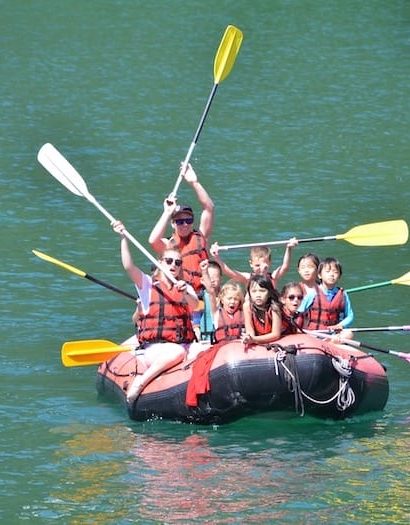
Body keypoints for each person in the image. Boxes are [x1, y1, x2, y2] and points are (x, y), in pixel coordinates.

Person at [112, 220, 199, 404]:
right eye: (168, 261)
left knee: (206, 350)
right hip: (155, 348)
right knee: (176, 353)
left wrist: (185, 292)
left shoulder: (185, 287)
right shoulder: (147, 285)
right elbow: (128, 266)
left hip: (184, 344)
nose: (173, 265)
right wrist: (123, 238)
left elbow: (195, 305)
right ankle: (140, 383)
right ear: (160, 263)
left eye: (177, 262)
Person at [148, 162, 214, 296]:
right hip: (182, 294)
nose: (184, 224)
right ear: (173, 224)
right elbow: (152, 240)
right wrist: (167, 212)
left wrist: (194, 182)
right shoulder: (169, 245)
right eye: (179, 221)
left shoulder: (201, 236)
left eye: (188, 220)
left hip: (202, 293)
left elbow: (209, 208)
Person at [210, 239, 298, 289]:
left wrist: (288, 249)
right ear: (251, 264)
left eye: (264, 266)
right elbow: (228, 271)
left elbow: (285, 267)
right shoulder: (248, 278)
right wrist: (216, 257)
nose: (261, 269)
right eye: (257, 265)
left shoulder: (273, 277)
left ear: (270, 263)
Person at [299, 257, 354, 337]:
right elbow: (299, 313)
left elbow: (350, 316)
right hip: (314, 334)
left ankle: (332, 341)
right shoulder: (313, 293)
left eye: (335, 272)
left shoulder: (343, 294)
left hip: (333, 333)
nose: (332, 275)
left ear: (339, 276)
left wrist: (340, 325)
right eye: (327, 272)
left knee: (349, 333)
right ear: (319, 275)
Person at [242, 274, 282, 345]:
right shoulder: (247, 306)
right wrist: (249, 338)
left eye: (262, 291)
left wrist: (254, 339)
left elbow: (276, 334)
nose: (258, 295)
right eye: (254, 291)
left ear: (269, 293)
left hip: (276, 340)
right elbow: (250, 330)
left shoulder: (274, 307)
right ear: (249, 293)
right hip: (258, 340)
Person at [208, 279, 245, 344]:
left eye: (236, 299)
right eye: (229, 298)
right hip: (222, 348)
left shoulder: (244, 313)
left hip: (240, 347)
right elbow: (211, 293)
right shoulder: (216, 313)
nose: (232, 301)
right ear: (222, 300)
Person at [199, 259, 223, 340]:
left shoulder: (227, 296)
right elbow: (196, 317)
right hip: (206, 337)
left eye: (215, 277)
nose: (212, 280)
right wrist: (196, 330)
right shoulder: (200, 297)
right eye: (209, 277)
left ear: (221, 278)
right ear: (202, 280)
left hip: (223, 337)